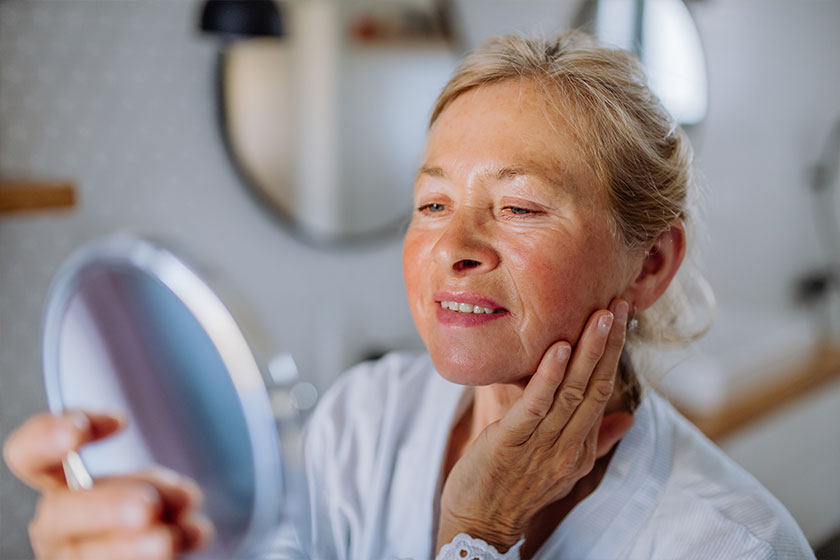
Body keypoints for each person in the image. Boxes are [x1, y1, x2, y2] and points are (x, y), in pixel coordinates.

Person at [3, 31, 814, 560]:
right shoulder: (366, 417)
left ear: (650, 264)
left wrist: (478, 535)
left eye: (520, 207)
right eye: (431, 205)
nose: (452, 249)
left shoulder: (729, 543)